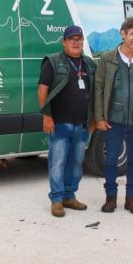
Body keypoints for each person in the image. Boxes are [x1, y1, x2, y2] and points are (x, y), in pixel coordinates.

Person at [94, 16, 133, 215]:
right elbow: (99, 89)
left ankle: (132, 199)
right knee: (111, 160)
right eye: (132, 34)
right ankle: (110, 198)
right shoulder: (108, 59)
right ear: (123, 33)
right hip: (114, 121)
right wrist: (100, 118)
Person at [37, 25, 96, 218]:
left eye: (79, 38)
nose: (76, 42)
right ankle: (56, 200)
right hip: (60, 124)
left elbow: (96, 92)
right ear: (64, 42)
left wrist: (94, 118)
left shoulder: (88, 64)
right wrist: (47, 115)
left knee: (76, 163)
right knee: (57, 162)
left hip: (82, 125)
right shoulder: (53, 62)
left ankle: (69, 196)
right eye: (72, 39)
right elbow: (42, 90)